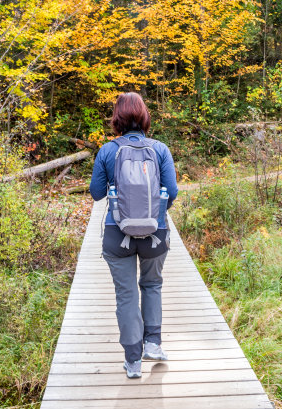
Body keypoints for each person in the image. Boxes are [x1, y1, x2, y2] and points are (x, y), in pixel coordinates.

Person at [89, 92, 178, 378]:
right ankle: (153, 343)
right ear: (144, 116)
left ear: (117, 118)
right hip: (155, 234)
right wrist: (153, 214)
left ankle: (133, 362)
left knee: (126, 295)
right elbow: (172, 193)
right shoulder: (160, 149)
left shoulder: (107, 150)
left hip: (118, 234)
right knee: (151, 285)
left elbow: (96, 194)